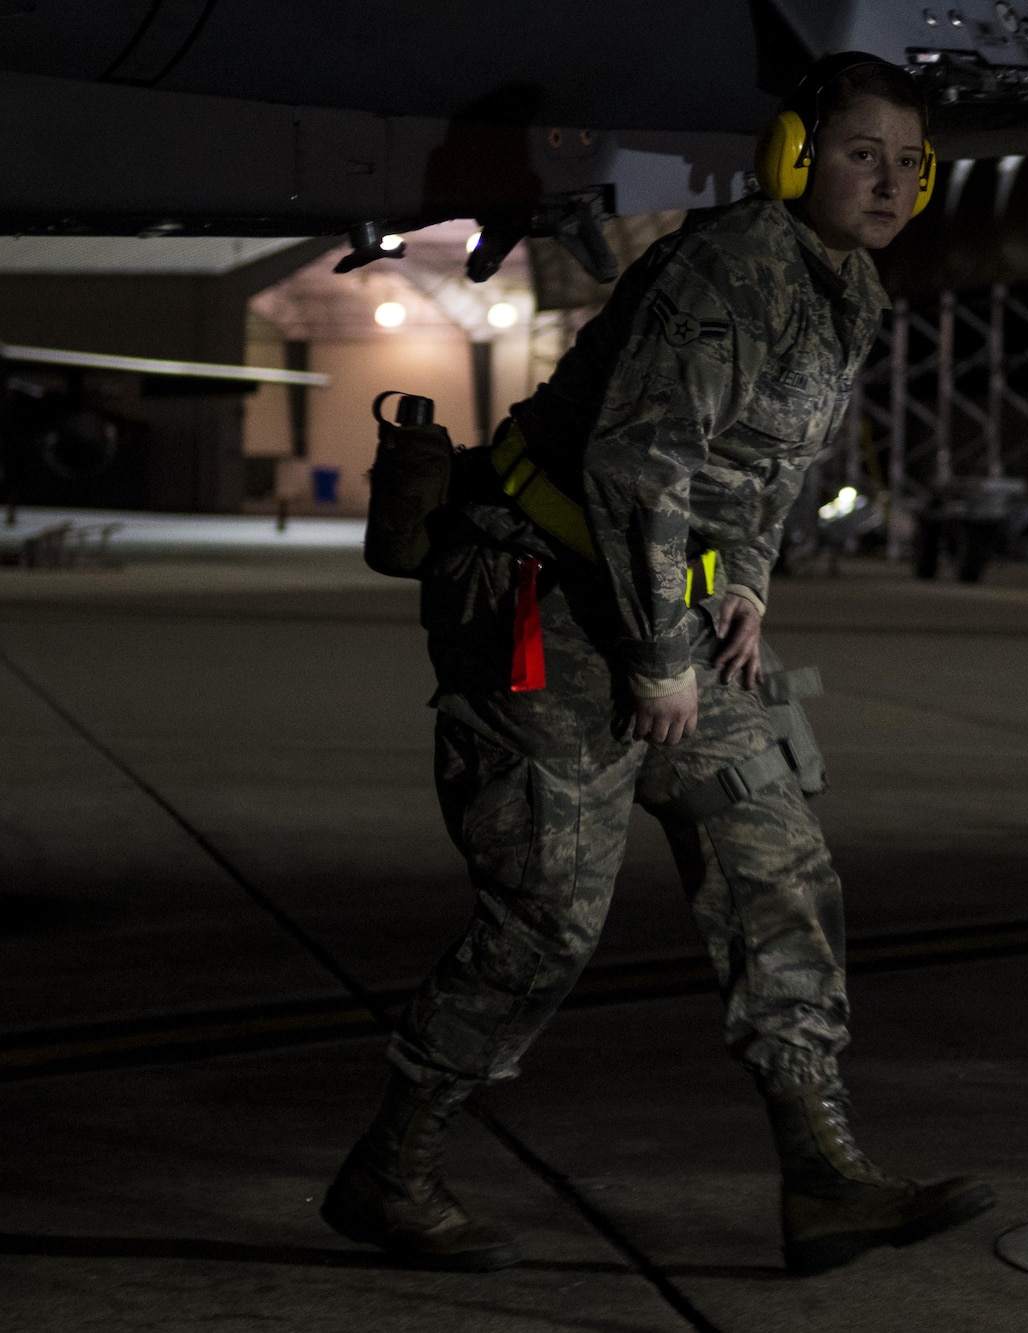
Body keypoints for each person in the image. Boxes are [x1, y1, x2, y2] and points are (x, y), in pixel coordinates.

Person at [321, 53, 993, 1278]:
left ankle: (823, 1177)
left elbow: (755, 466)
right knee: (545, 921)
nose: (889, 180)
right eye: (860, 153)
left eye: (909, 161)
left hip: (661, 616)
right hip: (545, 602)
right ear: (794, 154)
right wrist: (658, 657)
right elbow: (639, 470)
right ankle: (390, 1172)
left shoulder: (845, 285)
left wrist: (741, 580)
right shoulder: (728, 267)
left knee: (773, 864)